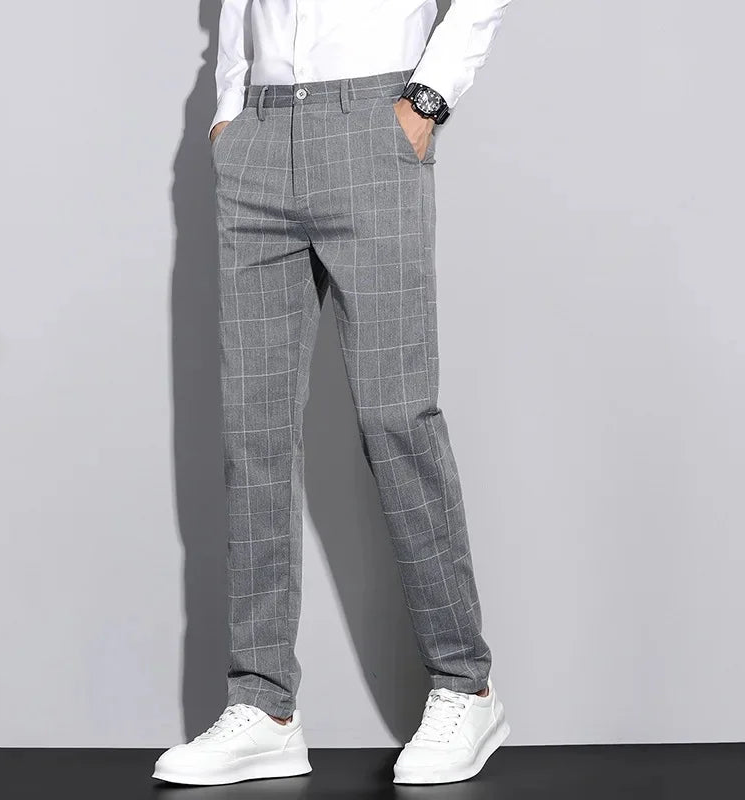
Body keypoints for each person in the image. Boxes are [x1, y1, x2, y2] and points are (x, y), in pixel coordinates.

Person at [154, 0, 513, 787]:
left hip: (374, 122)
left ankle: (465, 686)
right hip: (260, 131)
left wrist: (427, 100)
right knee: (254, 431)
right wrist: (229, 111)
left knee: (396, 416)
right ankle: (263, 706)